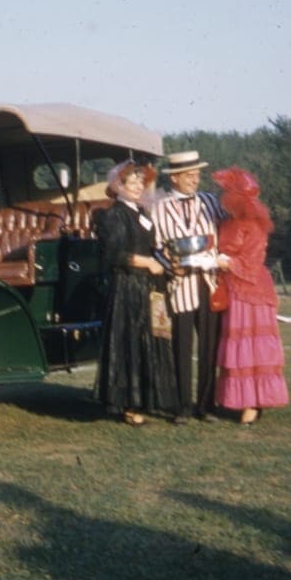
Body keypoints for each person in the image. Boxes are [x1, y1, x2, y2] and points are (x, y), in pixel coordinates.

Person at [94, 160, 179, 426]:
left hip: (151, 287)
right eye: (132, 182)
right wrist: (148, 263)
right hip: (128, 287)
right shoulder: (113, 215)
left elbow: (148, 248)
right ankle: (130, 406)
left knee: (152, 341)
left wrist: (163, 259)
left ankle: (149, 399)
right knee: (130, 343)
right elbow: (114, 256)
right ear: (119, 186)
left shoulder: (142, 214)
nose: (137, 187)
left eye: (140, 182)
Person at [152, 150, 227, 424]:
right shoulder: (159, 207)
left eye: (197, 175)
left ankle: (206, 405)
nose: (194, 180)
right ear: (174, 178)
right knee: (180, 347)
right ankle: (181, 406)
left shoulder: (210, 202)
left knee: (209, 346)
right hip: (180, 285)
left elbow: (227, 232)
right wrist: (173, 267)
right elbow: (157, 247)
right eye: (188, 176)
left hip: (208, 282)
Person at [211, 166, 289, 425]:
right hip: (236, 290)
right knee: (242, 347)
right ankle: (244, 400)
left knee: (252, 348)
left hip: (250, 291)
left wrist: (226, 263)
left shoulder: (251, 225)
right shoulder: (231, 222)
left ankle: (253, 403)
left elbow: (252, 262)